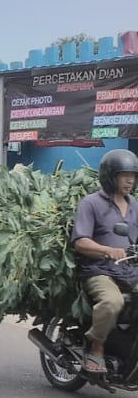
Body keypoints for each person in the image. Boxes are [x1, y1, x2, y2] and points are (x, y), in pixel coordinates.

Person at [71, 147, 138, 375]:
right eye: (124, 175)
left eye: (133, 176)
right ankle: (96, 347)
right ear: (110, 176)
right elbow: (80, 242)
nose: (130, 180)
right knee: (112, 302)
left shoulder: (135, 206)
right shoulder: (91, 204)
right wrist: (108, 250)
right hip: (99, 270)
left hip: (130, 270)